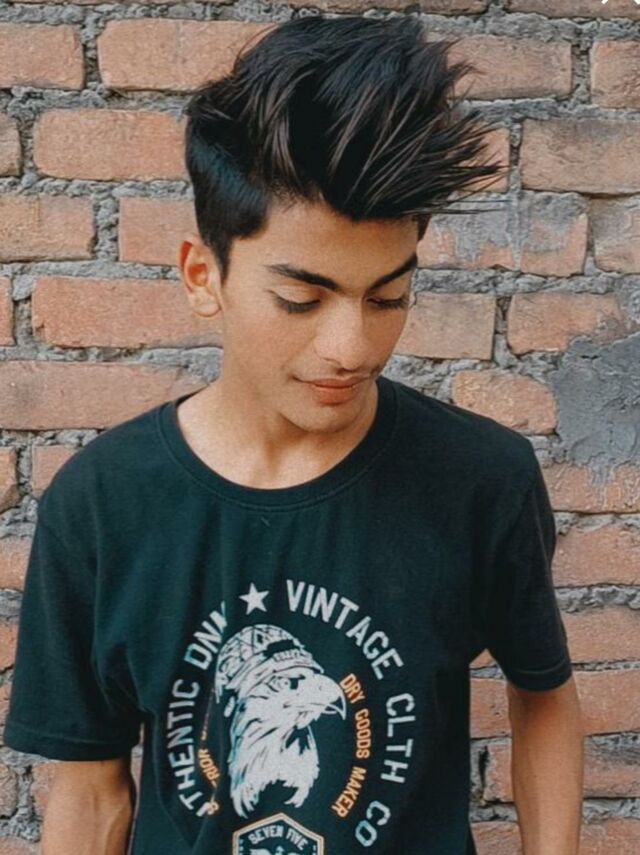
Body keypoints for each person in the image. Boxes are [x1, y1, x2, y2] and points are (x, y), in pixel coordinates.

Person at [3, 15, 583, 855]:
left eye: (387, 297)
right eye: (301, 300)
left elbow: (545, 693)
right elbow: (91, 796)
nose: (352, 347)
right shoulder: (101, 505)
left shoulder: (480, 477)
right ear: (203, 276)